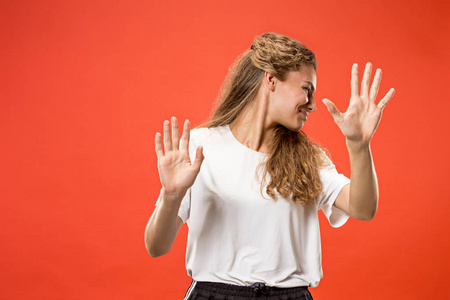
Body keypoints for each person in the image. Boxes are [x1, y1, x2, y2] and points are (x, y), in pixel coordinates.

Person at [145, 32, 395, 299]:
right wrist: (172, 196)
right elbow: (156, 246)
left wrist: (358, 144)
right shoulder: (200, 147)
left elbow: (363, 208)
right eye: (306, 89)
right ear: (271, 79)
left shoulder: (309, 156)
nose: (312, 105)